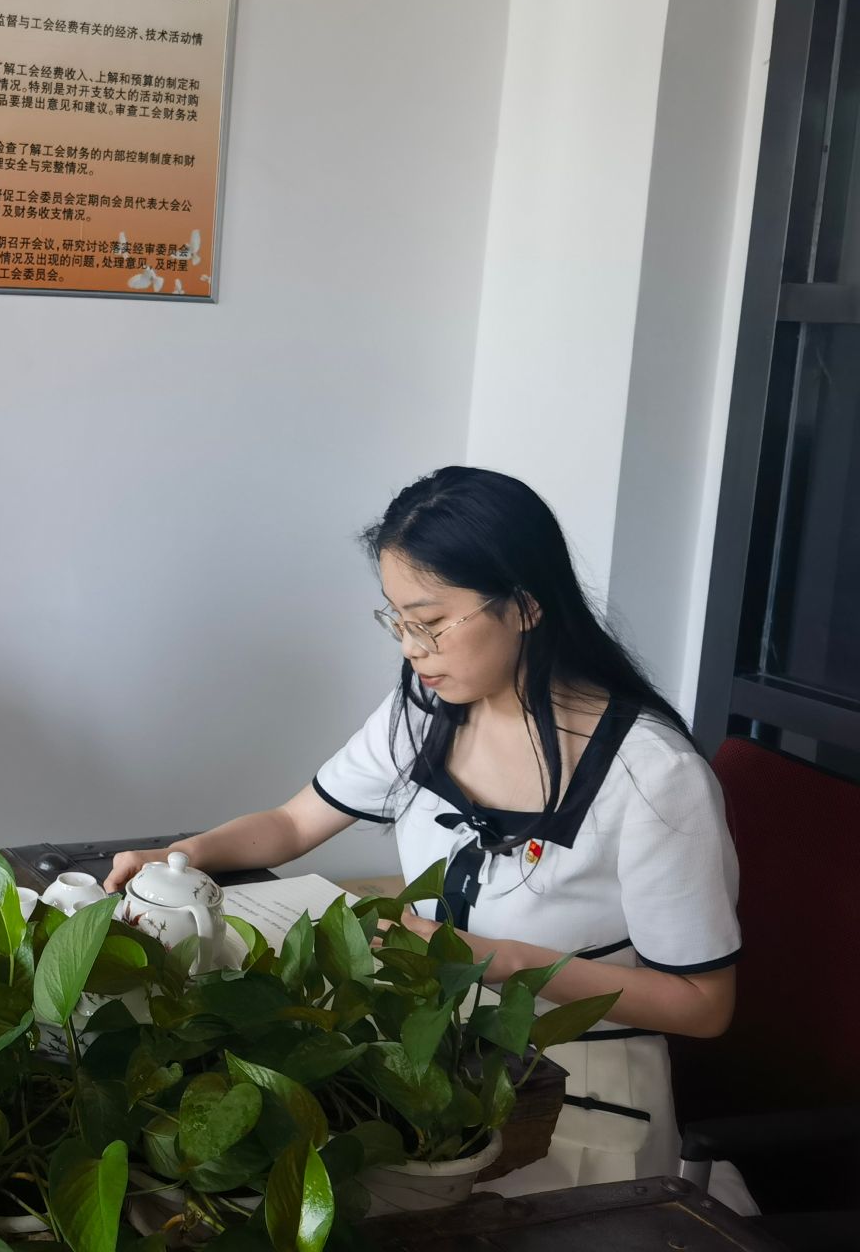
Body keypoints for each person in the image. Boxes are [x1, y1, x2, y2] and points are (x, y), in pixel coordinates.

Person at [106, 466, 739, 1194]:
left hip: (578, 1090)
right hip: (429, 1062)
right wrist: (181, 855)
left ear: (525, 606)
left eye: (430, 622)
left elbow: (703, 1005)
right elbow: (292, 822)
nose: (411, 647)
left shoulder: (652, 775)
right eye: (397, 620)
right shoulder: (426, 710)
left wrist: (489, 959)